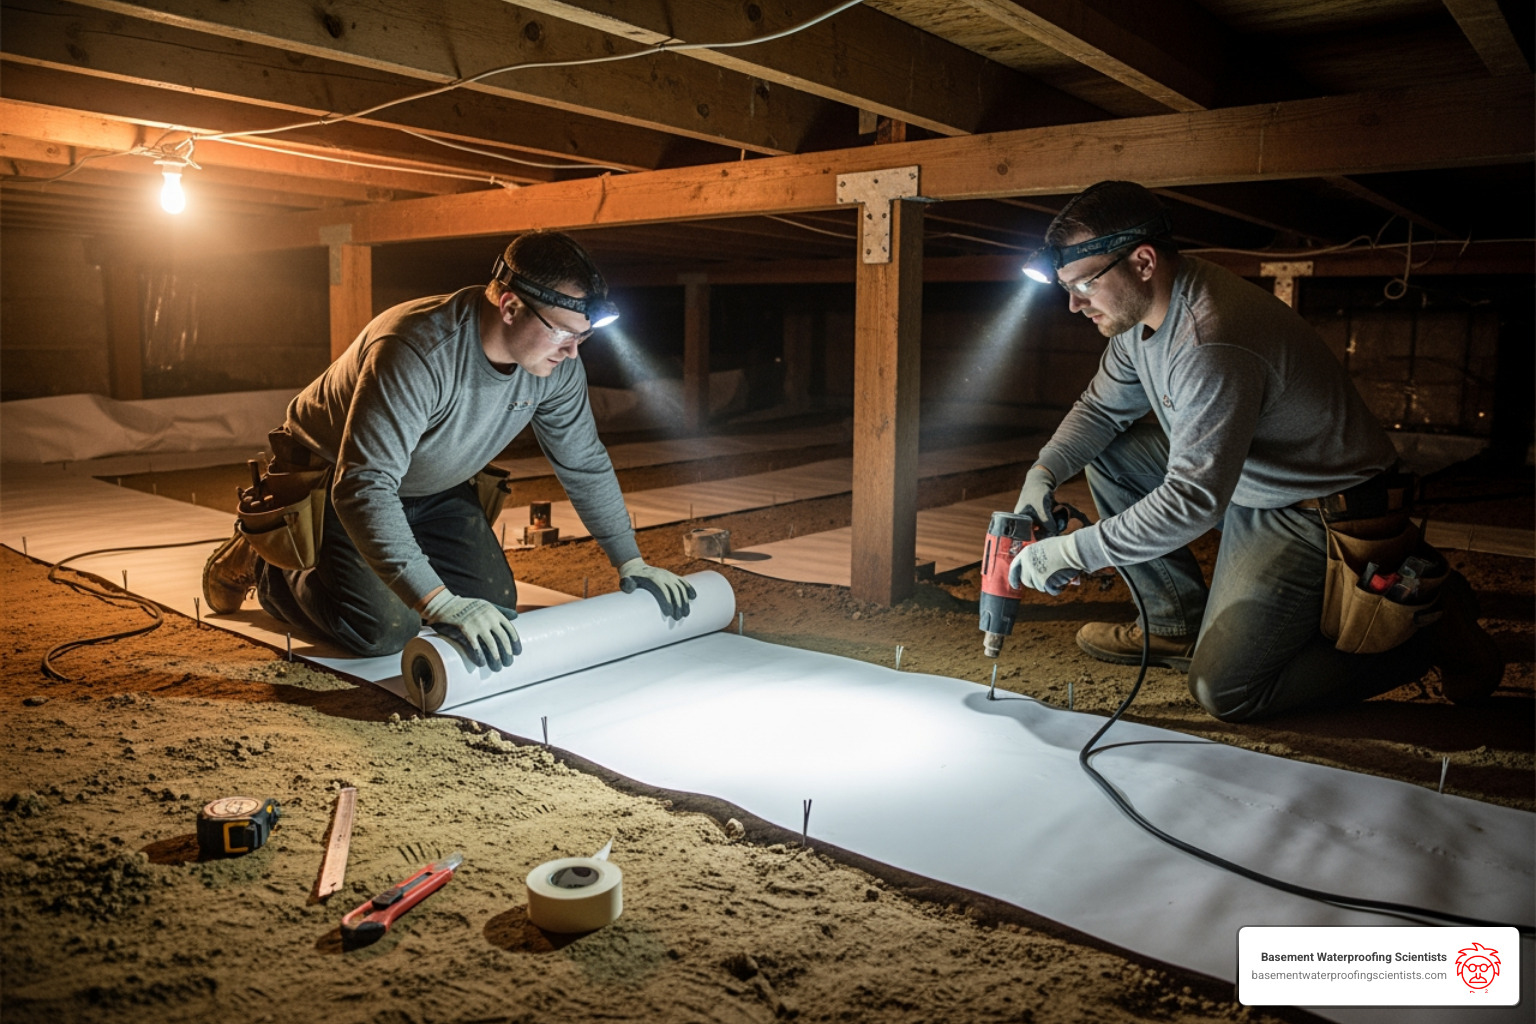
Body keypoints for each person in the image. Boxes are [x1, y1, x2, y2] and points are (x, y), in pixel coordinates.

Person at [1007, 180, 1503, 721]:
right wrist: (1043, 473)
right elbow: (1101, 413)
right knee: (1113, 452)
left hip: (1316, 510)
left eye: (1084, 285)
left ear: (1143, 262)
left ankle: (1427, 631)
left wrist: (1072, 553)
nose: (1074, 305)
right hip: (1251, 481)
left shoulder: (1210, 339)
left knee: (1228, 690)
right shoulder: (1138, 318)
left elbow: (1191, 502)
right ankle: (1175, 624)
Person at [202, 231, 694, 668]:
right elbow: (363, 486)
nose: (572, 352)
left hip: (430, 483)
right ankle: (270, 562)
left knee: (496, 612)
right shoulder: (416, 350)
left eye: (583, 336)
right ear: (510, 307)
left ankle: (329, 557)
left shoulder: (557, 367)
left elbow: (584, 462)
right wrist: (436, 602)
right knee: (385, 629)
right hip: (333, 480)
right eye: (563, 333)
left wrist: (631, 561)